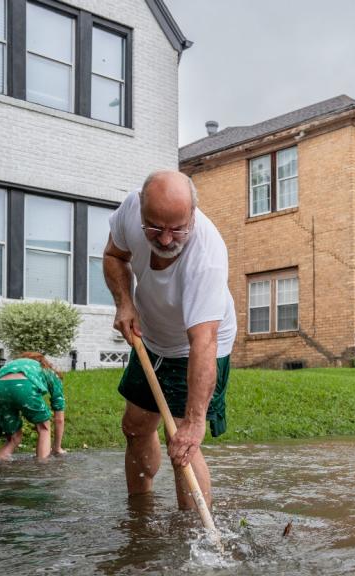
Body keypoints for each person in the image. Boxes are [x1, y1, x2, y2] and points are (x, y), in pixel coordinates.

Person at [103, 170, 237, 510]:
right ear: (142, 210)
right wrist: (124, 302)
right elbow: (115, 256)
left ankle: (192, 537)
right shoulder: (131, 208)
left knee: (181, 442)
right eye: (154, 228)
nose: (165, 240)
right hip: (151, 333)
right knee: (134, 426)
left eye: (177, 229)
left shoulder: (206, 259)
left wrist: (194, 424)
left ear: (192, 214)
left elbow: (202, 343)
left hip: (200, 344)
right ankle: (140, 513)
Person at [0, 351, 66, 461]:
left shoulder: (10, 367)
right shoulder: (46, 370)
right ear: (43, 362)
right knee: (43, 429)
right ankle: (42, 468)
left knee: (14, 438)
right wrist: (57, 448)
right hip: (25, 387)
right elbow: (59, 418)